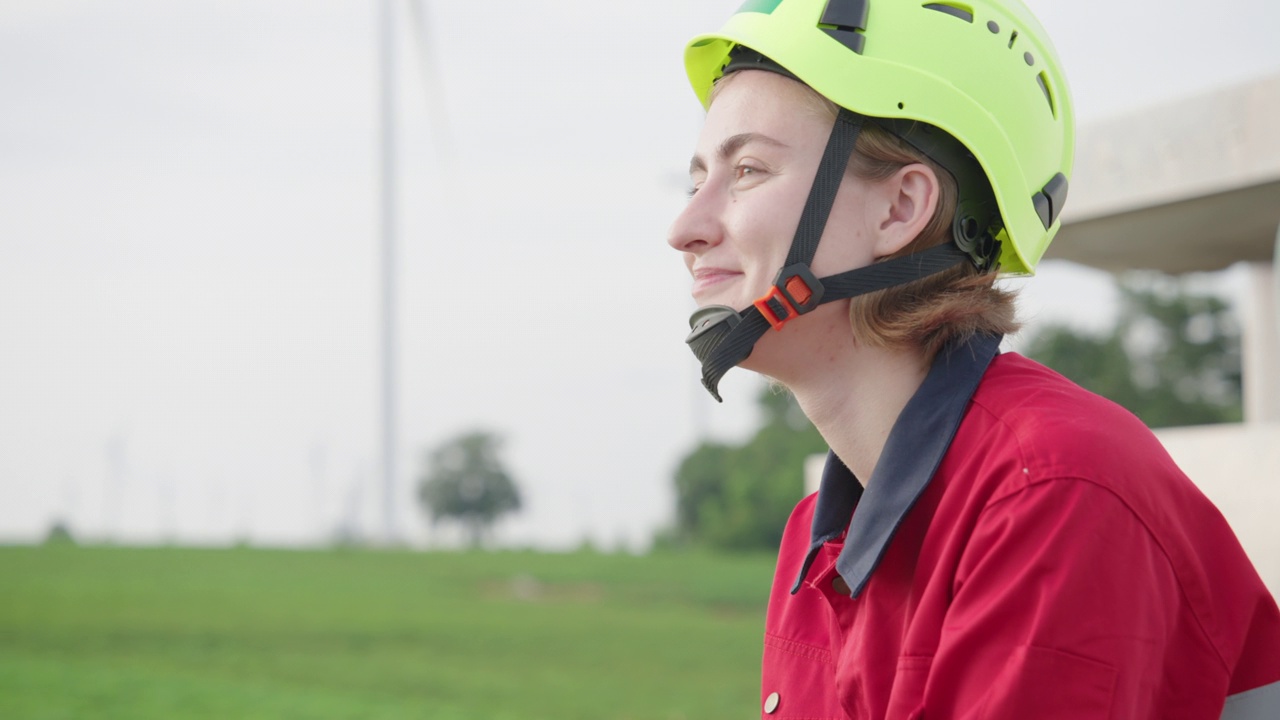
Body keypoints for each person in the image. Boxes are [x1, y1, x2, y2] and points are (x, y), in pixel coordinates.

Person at [666, 0, 1280, 717]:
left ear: (900, 209)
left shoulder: (1053, 490)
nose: (685, 227)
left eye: (747, 170)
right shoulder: (818, 536)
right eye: (696, 178)